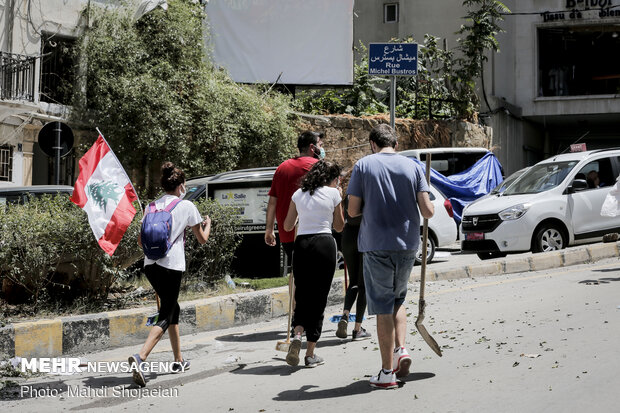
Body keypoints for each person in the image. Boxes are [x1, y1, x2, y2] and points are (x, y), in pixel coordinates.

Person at [347, 124, 434, 389]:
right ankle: (401, 350)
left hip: (376, 245)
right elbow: (428, 211)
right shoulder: (413, 167)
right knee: (398, 298)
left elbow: (352, 211)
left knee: (383, 307)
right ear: (395, 144)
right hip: (407, 245)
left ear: (373, 143)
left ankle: (387, 374)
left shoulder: (363, 165)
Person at [129, 162, 211, 387]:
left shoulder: (151, 206)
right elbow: (202, 239)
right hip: (172, 265)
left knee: (172, 308)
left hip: (150, 265)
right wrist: (209, 224)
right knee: (166, 314)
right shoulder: (186, 206)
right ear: (181, 186)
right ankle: (141, 357)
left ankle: (178, 360)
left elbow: (140, 240)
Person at [283, 160, 345, 368]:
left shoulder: (298, 194)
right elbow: (339, 225)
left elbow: (288, 225)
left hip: (302, 244)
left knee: (302, 294)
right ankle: (310, 354)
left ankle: (298, 334)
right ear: (330, 178)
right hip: (324, 244)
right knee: (319, 297)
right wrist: (339, 201)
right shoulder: (334, 193)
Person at [265, 131, 325, 266]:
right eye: (320, 145)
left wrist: (269, 229)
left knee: (300, 277)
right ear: (312, 147)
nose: (321, 149)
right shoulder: (319, 167)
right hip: (315, 232)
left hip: (288, 235)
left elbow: (272, 202)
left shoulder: (282, 168)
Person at [335, 168, 371, 341]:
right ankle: (357, 329)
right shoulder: (366, 192)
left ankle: (345, 315)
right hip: (363, 235)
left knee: (353, 282)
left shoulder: (346, 194)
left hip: (348, 236)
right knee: (363, 285)